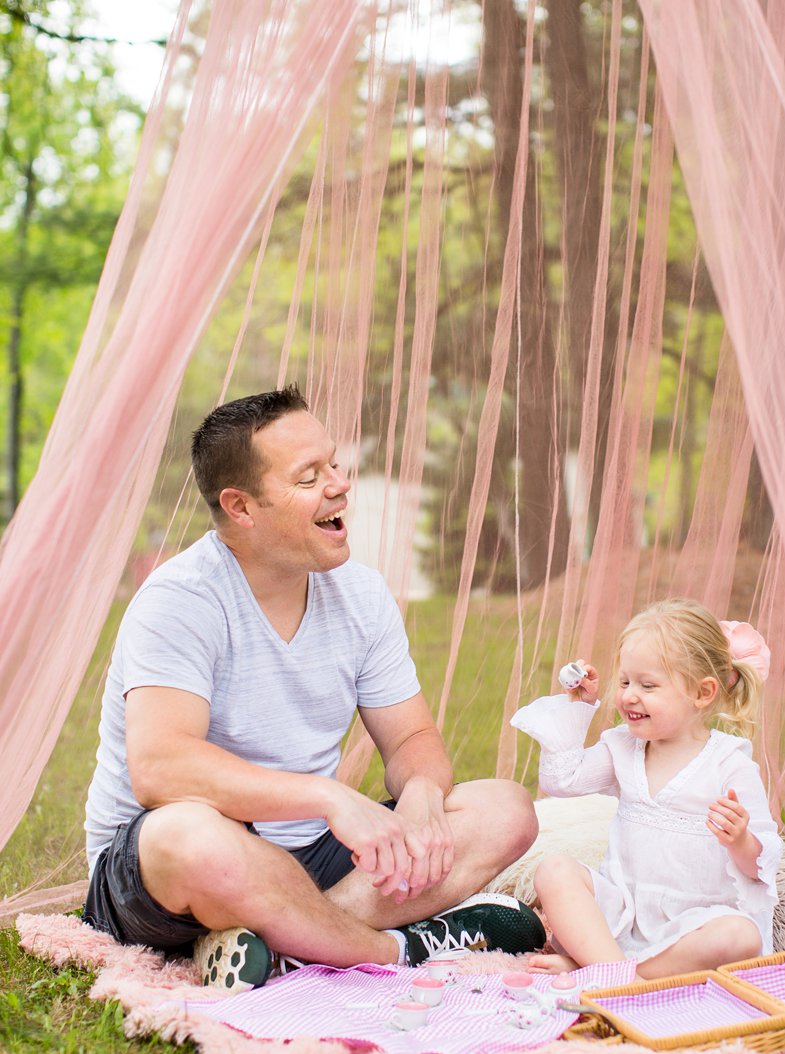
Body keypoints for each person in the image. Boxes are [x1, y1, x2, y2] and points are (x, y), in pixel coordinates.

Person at [82, 386, 543, 989]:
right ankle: (394, 950)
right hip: (170, 869)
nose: (338, 484)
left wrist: (424, 796)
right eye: (309, 477)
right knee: (191, 837)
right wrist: (329, 799)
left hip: (315, 856)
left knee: (503, 810)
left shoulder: (361, 594)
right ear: (242, 507)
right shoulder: (182, 600)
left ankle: (282, 947)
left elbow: (412, 736)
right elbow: (162, 769)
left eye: (333, 463)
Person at [510, 598, 782, 975]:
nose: (628, 695)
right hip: (623, 915)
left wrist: (740, 841)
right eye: (624, 681)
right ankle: (615, 969)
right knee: (554, 871)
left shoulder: (730, 764)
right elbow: (562, 781)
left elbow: (761, 865)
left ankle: (613, 974)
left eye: (648, 685)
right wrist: (579, 708)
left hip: (692, 924)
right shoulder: (624, 746)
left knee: (738, 935)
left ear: (702, 693)